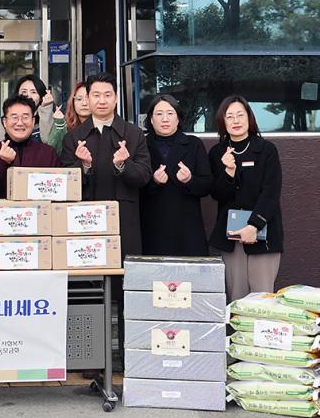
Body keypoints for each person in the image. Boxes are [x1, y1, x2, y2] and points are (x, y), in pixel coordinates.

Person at [60, 72, 151, 359]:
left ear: (116, 98)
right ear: (87, 99)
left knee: (127, 291)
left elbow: (144, 176)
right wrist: (84, 167)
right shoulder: (74, 138)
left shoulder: (133, 135)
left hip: (126, 224)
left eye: (107, 95)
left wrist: (124, 165)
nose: (101, 100)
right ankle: (90, 357)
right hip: (86, 227)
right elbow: (65, 185)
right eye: (95, 95)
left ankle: (128, 355)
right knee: (88, 289)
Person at [208, 95, 283, 302]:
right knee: (236, 298)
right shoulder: (217, 153)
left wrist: (254, 226)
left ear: (249, 118)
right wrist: (229, 171)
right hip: (231, 237)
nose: (236, 121)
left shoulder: (267, 150)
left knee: (262, 298)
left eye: (240, 115)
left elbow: (271, 193)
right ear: (223, 122)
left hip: (263, 233)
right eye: (230, 116)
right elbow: (217, 194)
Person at [140, 94, 212, 256]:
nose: (165, 119)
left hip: (187, 229)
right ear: (151, 119)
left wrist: (189, 180)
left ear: (178, 118)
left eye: (170, 113)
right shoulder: (142, 144)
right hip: (153, 228)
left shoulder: (193, 144)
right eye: (159, 114)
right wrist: (154, 181)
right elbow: (133, 186)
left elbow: (207, 185)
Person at [0, 95, 61, 198]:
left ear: (33, 122)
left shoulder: (48, 153)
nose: (19, 123)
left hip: (40, 207)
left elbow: (59, 188)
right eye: (14, 117)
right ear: (4, 122)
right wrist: (3, 162)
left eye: (25, 117)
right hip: (2, 207)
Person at [0, 74, 55, 143]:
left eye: (33, 92)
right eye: (24, 92)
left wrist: (46, 109)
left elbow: (47, 141)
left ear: (41, 97)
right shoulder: (6, 119)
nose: (28, 96)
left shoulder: (51, 116)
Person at [47, 82, 90, 154]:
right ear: (73, 102)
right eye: (79, 99)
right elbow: (52, 153)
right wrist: (59, 124)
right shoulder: (65, 126)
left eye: (88, 99)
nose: (84, 103)